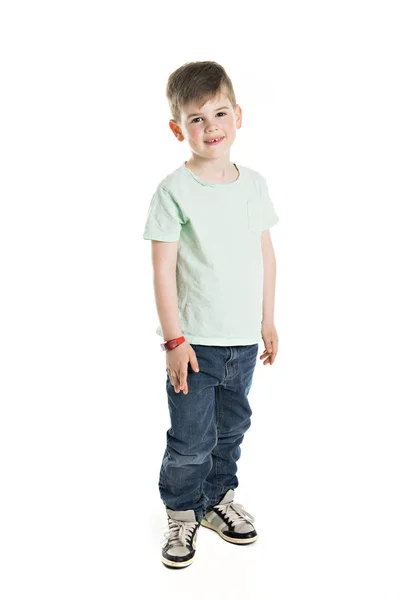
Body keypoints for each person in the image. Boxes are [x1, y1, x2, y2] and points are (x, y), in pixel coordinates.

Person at [142, 61, 279, 569]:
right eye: (196, 119)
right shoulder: (173, 191)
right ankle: (181, 513)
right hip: (194, 343)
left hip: (242, 341)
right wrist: (174, 342)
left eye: (220, 112)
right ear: (178, 128)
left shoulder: (254, 184)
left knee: (231, 429)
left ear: (238, 115)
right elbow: (162, 273)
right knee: (191, 437)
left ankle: (217, 501)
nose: (211, 126)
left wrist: (267, 320)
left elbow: (265, 254)